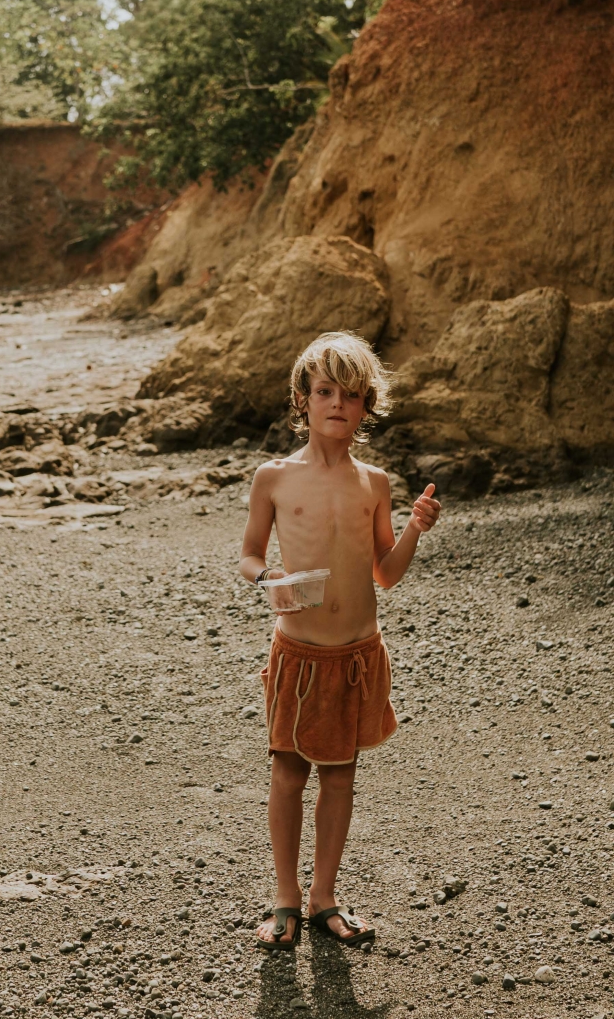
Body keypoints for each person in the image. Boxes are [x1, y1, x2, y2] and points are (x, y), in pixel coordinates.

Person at [239, 332, 440, 950]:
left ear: (365, 407)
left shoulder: (374, 482)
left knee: (342, 776)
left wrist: (412, 529)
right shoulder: (274, 477)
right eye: (324, 392)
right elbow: (248, 556)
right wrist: (268, 575)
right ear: (302, 400)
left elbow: (385, 572)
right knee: (288, 774)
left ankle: (324, 896)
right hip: (299, 652)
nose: (337, 405)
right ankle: (284, 900)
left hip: (357, 651)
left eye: (351, 396)